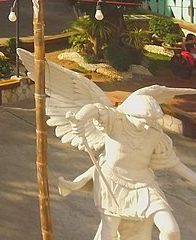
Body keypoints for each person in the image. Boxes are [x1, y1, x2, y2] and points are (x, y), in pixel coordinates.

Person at [59, 93, 196, 240]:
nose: (147, 125)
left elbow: (175, 164)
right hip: (112, 183)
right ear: (130, 114)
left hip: (144, 185)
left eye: (151, 121)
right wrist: (80, 119)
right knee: (109, 232)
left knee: (171, 230)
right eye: (143, 121)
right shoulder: (115, 123)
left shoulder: (155, 134)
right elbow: (95, 110)